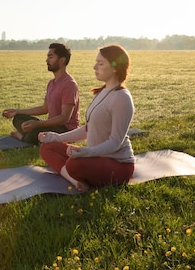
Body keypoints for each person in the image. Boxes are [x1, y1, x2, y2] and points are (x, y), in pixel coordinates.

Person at [38, 44, 135, 192]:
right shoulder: (101, 92)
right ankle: (74, 180)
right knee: (47, 147)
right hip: (94, 156)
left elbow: (115, 142)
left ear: (115, 67)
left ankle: (74, 172)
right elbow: (88, 129)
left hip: (117, 164)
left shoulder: (122, 98)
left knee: (74, 164)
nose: (94, 67)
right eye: (96, 62)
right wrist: (57, 137)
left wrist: (86, 152)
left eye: (100, 63)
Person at [2, 43, 80, 145]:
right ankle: (28, 134)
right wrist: (17, 111)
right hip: (51, 126)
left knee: (36, 133)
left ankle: (21, 136)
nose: (47, 60)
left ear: (62, 60)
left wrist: (38, 124)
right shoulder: (51, 83)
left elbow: (64, 118)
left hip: (65, 130)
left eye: (50, 57)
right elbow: (44, 109)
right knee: (18, 118)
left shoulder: (69, 84)